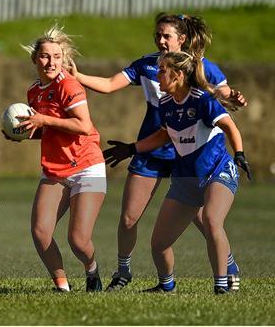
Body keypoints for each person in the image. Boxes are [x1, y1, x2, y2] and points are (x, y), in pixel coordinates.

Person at [69, 13, 245, 291]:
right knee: (129, 217)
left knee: (205, 219)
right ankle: (124, 272)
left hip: (187, 156)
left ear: (182, 39)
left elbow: (221, 95)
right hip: (151, 150)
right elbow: (108, 85)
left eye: (167, 36)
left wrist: (232, 98)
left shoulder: (199, 67)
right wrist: (77, 75)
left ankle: (227, 268)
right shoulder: (147, 65)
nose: (161, 40)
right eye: (158, 35)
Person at [104, 51, 251, 294]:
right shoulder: (165, 103)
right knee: (159, 243)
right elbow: (164, 134)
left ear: (178, 75)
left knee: (213, 221)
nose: (157, 75)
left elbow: (229, 126)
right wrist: (132, 148)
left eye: (162, 71)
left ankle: (222, 285)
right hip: (186, 178)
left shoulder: (202, 99)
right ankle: (166, 286)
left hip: (216, 170)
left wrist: (239, 154)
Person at [3, 24, 106, 292]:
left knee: (78, 240)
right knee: (40, 232)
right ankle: (62, 286)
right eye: (46, 56)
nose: (51, 62)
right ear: (35, 59)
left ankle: (92, 270)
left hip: (87, 167)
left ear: (64, 59)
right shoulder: (34, 91)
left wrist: (42, 119)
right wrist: (23, 133)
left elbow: (83, 126)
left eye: (57, 56)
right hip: (55, 169)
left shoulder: (69, 86)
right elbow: (51, 130)